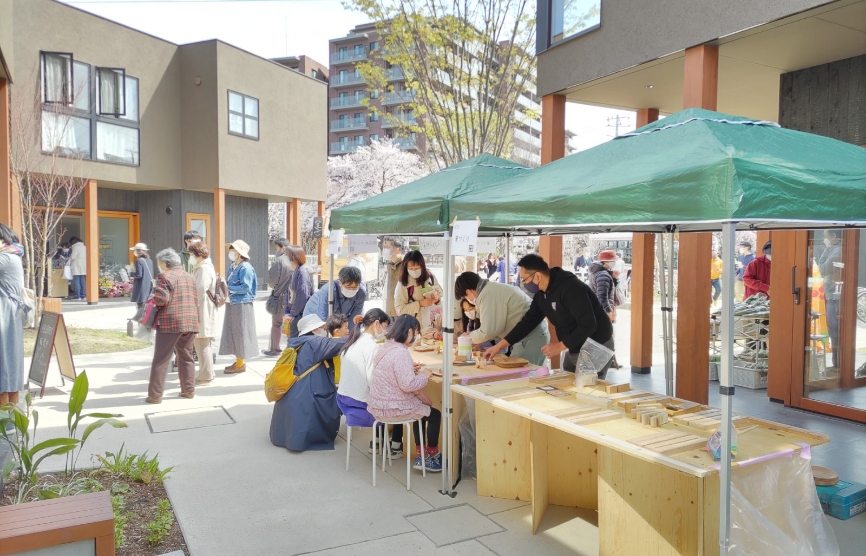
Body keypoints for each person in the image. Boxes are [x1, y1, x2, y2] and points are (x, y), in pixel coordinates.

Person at [484, 254, 614, 377]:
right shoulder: (541, 296)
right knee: (568, 380)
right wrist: (500, 346)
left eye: (525, 279)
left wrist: (560, 346)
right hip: (576, 344)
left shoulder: (571, 288)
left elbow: (588, 325)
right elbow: (527, 322)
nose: (523, 283)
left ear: (538, 276)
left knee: (587, 388)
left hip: (597, 343)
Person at [367, 315, 442, 472]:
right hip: (393, 409)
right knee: (434, 415)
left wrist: (408, 368)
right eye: (416, 332)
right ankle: (431, 454)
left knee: (420, 410)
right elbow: (408, 385)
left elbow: (392, 371)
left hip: (378, 406)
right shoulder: (401, 353)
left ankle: (422, 455)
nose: (417, 336)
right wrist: (425, 375)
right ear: (410, 331)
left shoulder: (386, 347)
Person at [269, 314, 347, 452]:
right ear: (315, 329)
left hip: (292, 390)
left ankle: (288, 439)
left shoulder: (298, 342)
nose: (324, 329)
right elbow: (342, 343)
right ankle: (302, 442)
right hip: (306, 392)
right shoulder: (315, 343)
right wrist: (361, 331)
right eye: (321, 327)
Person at [336, 309, 405, 459]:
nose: (385, 331)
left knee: (388, 396)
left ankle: (378, 441)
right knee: (400, 399)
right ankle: (396, 445)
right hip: (361, 406)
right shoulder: (372, 347)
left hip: (343, 400)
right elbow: (372, 381)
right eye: (384, 326)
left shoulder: (352, 341)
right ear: (376, 324)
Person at [454, 271, 549, 365]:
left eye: (465, 296)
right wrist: (473, 336)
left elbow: (488, 332)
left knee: (520, 375)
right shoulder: (491, 290)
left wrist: (468, 338)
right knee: (524, 375)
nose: (467, 299)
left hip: (530, 338)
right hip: (529, 336)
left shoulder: (488, 294)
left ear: (468, 291)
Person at [146, 248, 199, 404]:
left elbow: (161, 299)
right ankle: (188, 390)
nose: (159, 265)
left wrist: (153, 293)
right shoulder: (190, 277)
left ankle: (155, 395)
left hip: (170, 322)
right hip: (190, 321)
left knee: (161, 359)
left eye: (159, 263)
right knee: (187, 357)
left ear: (165, 263)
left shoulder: (164, 276)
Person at [220, 240, 258, 374]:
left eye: (233, 250)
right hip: (234, 302)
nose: (231, 252)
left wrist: (227, 287)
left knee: (240, 333)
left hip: (242, 303)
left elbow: (246, 287)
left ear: (239, 253)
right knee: (235, 332)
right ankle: (239, 361)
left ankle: (241, 364)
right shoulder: (234, 266)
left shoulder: (245, 267)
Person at [0, 223, 25, 407]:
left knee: (5, 362)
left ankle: (6, 418)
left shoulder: (6, 258)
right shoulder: (12, 255)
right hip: (8, 312)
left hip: (5, 314)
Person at [189, 242, 218, 385]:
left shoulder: (204, 268)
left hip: (202, 308)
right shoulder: (204, 266)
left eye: (191, 254)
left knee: (201, 341)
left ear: (198, 254)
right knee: (202, 341)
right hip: (204, 307)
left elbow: (200, 290)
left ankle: (205, 375)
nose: (190, 257)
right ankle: (207, 372)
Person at [304, 266, 366, 331]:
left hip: (337, 317)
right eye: (348, 287)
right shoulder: (328, 290)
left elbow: (354, 318)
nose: (351, 290)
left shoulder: (361, 293)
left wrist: (347, 334)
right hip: (315, 315)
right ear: (340, 283)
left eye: (355, 287)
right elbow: (323, 317)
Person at [395, 250, 443, 331]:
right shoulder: (403, 284)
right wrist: (420, 304)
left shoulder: (430, 277)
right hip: (413, 326)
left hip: (432, 324)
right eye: (410, 268)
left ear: (423, 266)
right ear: (405, 267)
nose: (414, 271)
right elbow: (400, 308)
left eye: (417, 268)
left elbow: (439, 298)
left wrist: (436, 300)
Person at [817, 231, 843, 370]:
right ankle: (837, 363)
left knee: (834, 329)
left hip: (835, 295)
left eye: (825, 236)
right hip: (833, 293)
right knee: (834, 330)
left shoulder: (836, 250)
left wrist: (826, 251)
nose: (824, 239)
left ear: (833, 236)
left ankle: (838, 364)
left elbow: (823, 269)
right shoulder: (837, 249)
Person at [264, 238, 293, 356]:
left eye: (276, 248)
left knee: (277, 324)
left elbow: (271, 279)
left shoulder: (279, 261)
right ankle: (291, 348)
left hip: (280, 296)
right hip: (292, 297)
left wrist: (275, 286)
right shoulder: (294, 260)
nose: (276, 251)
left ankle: (275, 348)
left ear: (283, 248)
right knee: (292, 323)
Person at [283, 245, 313, 338]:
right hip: (294, 313)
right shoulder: (293, 271)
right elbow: (288, 294)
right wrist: (287, 311)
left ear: (293, 257)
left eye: (286, 255)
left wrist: (292, 314)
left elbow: (302, 295)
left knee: (295, 342)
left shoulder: (301, 272)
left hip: (300, 314)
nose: (284, 257)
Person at [588, 251, 617, 325]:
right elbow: (602, 296)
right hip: (602, 311)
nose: (614, 263)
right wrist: (607, 311)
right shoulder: (603, 275)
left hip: (596, 309)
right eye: (613, 261)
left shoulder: (597, 272)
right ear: (606, 262)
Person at [382, 238, 404, 316]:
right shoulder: (390, 264)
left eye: (387, 248)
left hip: (398, 312)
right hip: (389, 311)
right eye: (384, 248)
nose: (385, 250)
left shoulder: (404, 265)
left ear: (397, 249)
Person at [128, 243, 154, 309]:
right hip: (149, 286)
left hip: (141, 286)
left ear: (138, 251)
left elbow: (139, 275)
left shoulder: (139, 260)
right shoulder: (150, 260)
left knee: (140, 307)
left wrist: (131, 273)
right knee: (146, 306)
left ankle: (140, 319)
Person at [68, 236, 86, 300]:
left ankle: (77, 296)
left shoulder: (75, 247)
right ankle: (83, 295)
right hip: (83, 265)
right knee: (83, 281)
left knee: (76, 281)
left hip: (76, 266)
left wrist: (69, 257)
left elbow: (73, 257)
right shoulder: (84, 247)